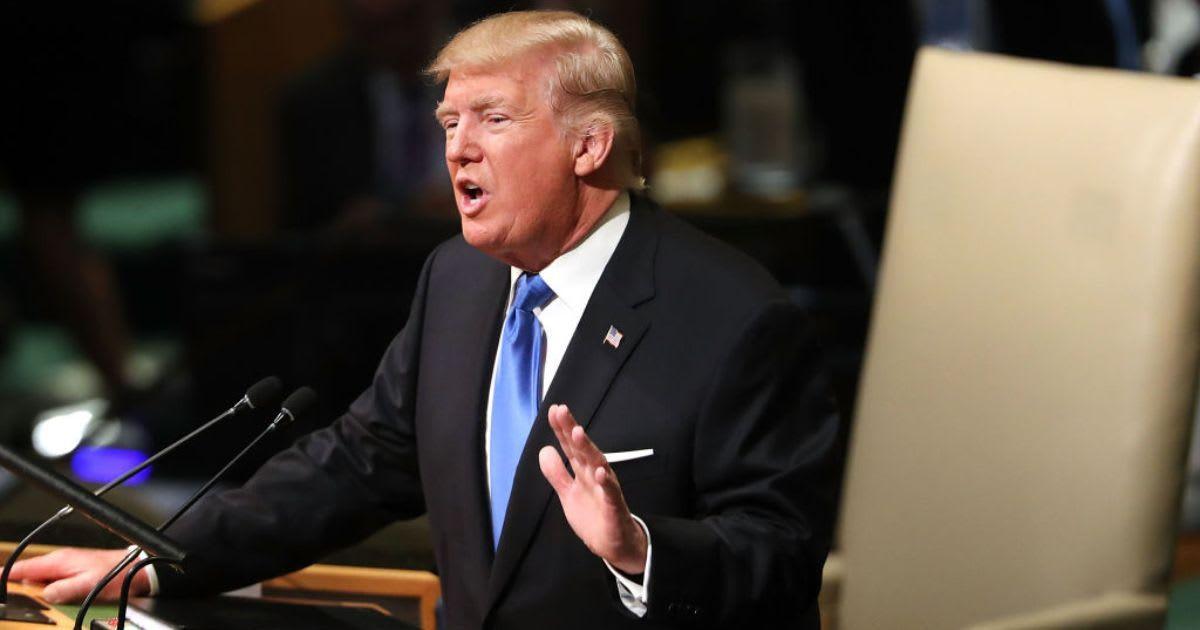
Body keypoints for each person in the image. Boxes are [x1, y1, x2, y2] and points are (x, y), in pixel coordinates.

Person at [11, 11, 838, 628]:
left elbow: (784, 556)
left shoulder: (732, 316)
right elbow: (357, 463)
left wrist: (641, 549)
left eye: (493, 119)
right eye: (449, 122)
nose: (457, 148)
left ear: (588, 146)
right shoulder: (458, 281)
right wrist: (157, 558)